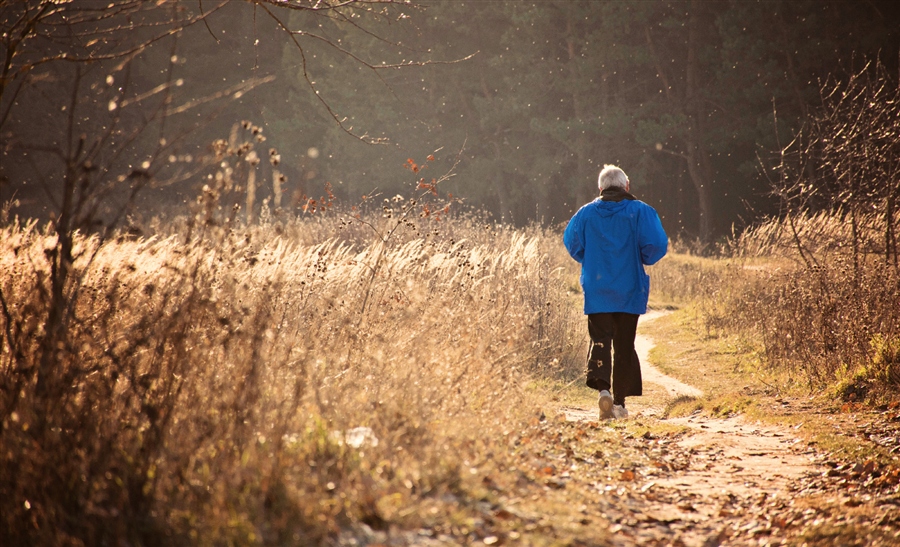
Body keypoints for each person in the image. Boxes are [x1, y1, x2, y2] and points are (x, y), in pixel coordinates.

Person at [563, 164, 668, 420]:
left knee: (599, 341)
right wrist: (641, 256)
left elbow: (572, 243)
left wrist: (590, 259)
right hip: (629, 289)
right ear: (626, 186)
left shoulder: (585, 214)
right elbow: (655, 245)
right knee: (624, 345)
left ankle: (603, 392)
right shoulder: (641, 211)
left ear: (600, 188)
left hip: (598, 290)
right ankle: (619, 404)